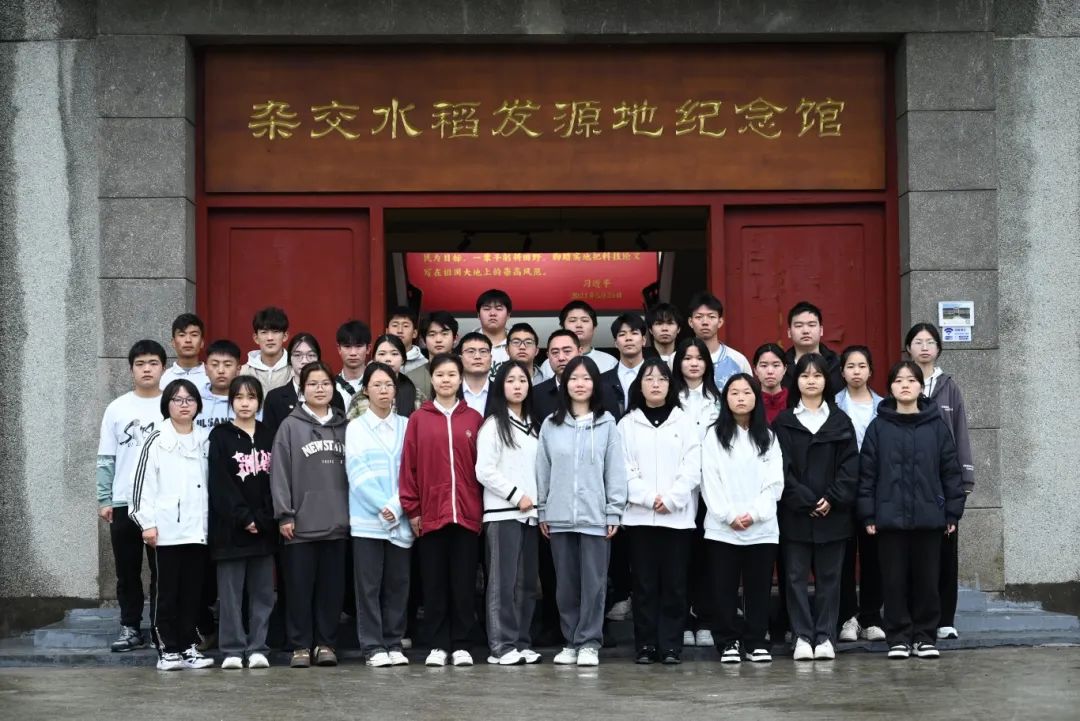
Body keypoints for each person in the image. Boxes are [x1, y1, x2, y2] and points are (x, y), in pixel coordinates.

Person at [857, 361, 965, 660]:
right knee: (893, 582)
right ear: (890, 388)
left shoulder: (937, 426)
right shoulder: (878, 428)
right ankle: (899, 638)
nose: (905, 385)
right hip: (889, 520)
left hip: (929, 519)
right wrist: (868, 514)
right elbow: (867, 475)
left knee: (927, 581)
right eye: (898, 380)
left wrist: (952, 512)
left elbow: (950, 472)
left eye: (911, 380)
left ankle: (925, 637)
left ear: (920, 386)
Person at [536, 356, 627, 667]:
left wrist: (613, 511)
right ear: (565, 384)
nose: (579, 384)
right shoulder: (551, 424)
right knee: (565, 585)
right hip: (559, 516)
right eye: (573, 378)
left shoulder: (607, 424)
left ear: (595, 384)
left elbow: (615, 470)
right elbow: (543, 470)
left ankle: (589, 642)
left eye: (586, 378)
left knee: (594, 584)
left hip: (596, 517)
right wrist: (543, 509)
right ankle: (571, 641)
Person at [772, 353, 858, 662]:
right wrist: (806, 501)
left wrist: (831, 498)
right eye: (805, 375)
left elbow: (850, 468)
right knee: (794, 579)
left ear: (826, 381)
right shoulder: (784, 422)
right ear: (796, 380)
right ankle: (801, 636)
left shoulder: (840, 421)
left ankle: (824, 636)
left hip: (833, 515)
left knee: (830, 580)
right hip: (795, 515)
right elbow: (779, 468)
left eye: (817, 375)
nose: (811, 380)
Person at [400, 353, 484, 667]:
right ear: (432, 379)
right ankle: (437, 644)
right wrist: (413, 509)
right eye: (440, 375)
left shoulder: (473, 418)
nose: (446, 380)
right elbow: (408, 467)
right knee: (434, 583)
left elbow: (483, 467)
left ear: (460, 379)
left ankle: (461, 644)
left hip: (466, 513)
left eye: (451, 374)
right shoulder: (418, 419)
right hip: (431, 515)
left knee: (463, 584)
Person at [618, 358, 700, 665]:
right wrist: (648, 497)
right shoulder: (626, 424)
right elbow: (622, 468)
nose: (655, 384)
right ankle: (646, 645)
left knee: (675, 585)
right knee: (644, 585)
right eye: (649, 378)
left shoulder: (685, 422)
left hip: (677, 518)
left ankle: (670, 646)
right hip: (640, 518)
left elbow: (693, 467)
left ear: (670, 385)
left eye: (662, 379)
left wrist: (673, 499)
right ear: (639, 385)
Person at [129, 379, 213, 671]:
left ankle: (189, 646)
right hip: (166, 531)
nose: (184, 404)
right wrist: (146, 523)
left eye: (190, 399)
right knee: (166, 593)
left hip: (197, 530)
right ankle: (167, 649)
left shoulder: (205, 439)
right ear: (167, 404)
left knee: (192, 593)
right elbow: (141, 485)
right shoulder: (156, 439)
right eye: (177, 399)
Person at [270, 361, 350, 669]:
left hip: (337, 523)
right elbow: (279, 473)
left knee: (331, 590)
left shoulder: (345, 427)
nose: (320, 389)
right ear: (302, 390)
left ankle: (326, 644)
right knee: (299, 590)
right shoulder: (290, 427)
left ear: (333, 387)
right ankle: (300, 646)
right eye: (313, 384)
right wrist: (285, 514)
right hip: (300, 525)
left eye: (325, 383)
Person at [701, 374, 784, 664]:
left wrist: (755, 514)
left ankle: (756, 641)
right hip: (722, 528)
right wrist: (728, 515)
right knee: (723, 588)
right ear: (725, 399)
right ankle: (727, 642)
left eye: (746, 392)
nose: (740, 398)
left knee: (758, 588)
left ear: (756, 398)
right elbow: (709, 479)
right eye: (734, 392)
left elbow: (774, 483)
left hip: (761, 528)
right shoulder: (714, 436)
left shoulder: (768, 437)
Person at [906, 322, 974, 642]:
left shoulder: (949, 386)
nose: (924, 347)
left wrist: (964, 478)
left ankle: (945, 619)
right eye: (918, 342)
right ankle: (913, 616)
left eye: (930, 342)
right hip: (910, 483)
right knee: (913, 555)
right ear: (908, 348)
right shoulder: (903, 381)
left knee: (946, 552)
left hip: (943, 483)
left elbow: (961, 431)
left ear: (938, 348)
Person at [97, 340, 166, 653]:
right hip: (124, 501)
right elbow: (106, 457)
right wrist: (104, 498)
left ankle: (160, 628)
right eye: (140, 364)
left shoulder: (172, 404)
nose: (147, 369)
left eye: (153, 363)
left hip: (161, 502)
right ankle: (130, 627)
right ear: (131, 369)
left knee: (162, 571)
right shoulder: (117, 408)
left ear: (163, 367)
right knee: (127, 571)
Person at [345, 362, 413, 668]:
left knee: (398, 584)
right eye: (377, 385)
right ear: (366, 390)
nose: (383, 390)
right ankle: (373, 646)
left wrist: (397, 506)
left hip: (401, 517)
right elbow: (356, 472)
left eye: (388, 385)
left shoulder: (407, 426)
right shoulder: (356, 428)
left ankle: (394, 642)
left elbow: (412, 470)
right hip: (367, 521)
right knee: (369, 586)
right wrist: (382, 506)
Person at [207, 375, 277, 670]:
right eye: (238, 397)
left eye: (251, 397)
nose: (245, 403)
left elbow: (278, 480)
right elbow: (219, 484)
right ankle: (233, 649)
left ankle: (258, 647)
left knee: (263, 593)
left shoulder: (270, 434)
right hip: (230, 531)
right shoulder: (220, 436)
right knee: (231, 595)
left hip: (265, 530)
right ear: (231, 401)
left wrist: (263, 518)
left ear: (259, 401)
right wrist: (244, 517)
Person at [476, 360, 542, 666]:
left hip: (531, 515)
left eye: (523, 380)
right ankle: (501, 645)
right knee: (503, 584)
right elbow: (484, 470)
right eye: (511, 380)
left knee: (527, 584)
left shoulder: (533, 424)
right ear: (500, 386)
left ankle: (521, 641)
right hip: (503, 514)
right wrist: (516, 496)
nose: (517, 386)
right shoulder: (493, 425)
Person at [671, 336, 722, 647]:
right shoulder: (669, 397)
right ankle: (681, 622)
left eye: (699, 358)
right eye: (687, 358)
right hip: (678, 490)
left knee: (707, 558)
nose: (693, 363)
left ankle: (704, 619)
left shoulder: (718, 398)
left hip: (710, 490)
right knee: (680, 559)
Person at [834, 345, 887, 643]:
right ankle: (847, 618)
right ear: (842, 372)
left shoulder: (884, 407)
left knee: (873, 556)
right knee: (842, 557)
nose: (856, 371)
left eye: (862, 366)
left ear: (870, 371)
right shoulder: (833, 404)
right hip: (842, 491)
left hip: (874, 491)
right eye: (850, 366)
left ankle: (871, 617)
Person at [262, 333, 346, 439]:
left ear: (318, 359)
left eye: (311, 355)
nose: (304, 361)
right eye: (297, 355)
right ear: (289, 359)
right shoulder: (274, 398)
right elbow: (269, 439)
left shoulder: (333, 396)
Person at [686, 291, 751, 389]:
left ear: (720, 322)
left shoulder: (738, 360)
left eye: (711, 317)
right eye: (699, 317)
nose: (705, 322)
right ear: (690, 322)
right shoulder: (677, 359)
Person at [539, 300, 618, 379]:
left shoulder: (610, 362)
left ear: (594, 328)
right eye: (572, 320)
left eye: (584, 320)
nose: (579, 325)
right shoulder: (549, 364)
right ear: (563, 327)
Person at [782, 301, 843, 394]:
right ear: (789, 332)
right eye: (799, 326)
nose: (806, 331)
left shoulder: (837, 363)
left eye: (811, 325)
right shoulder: (781, 366)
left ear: (821, 330)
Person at [600, 312, 647, 418]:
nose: (628, 338)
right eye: (622, 334)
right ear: (616, 343)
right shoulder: (602, 380)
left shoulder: (657, 378)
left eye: (634, 333)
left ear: (644, 340)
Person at [532, 329, 581, 424]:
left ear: (580, 352)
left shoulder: (597, 389)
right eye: (555, 352)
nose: (561, 358)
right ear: (548, 356)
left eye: (567, 351)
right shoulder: (536, 395)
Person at [240, 306, 292, 393]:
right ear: (256, 338)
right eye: (264, 332)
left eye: (275, 332)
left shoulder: (295, 371)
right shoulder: (243, 372)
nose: (270, 338)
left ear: (285, 336)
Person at [198, 339, 242, 435]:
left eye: (227, 365)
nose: (221, 370)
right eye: (215, 365)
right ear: (206, 369)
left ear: (238, 369)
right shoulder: (193, 402)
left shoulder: (248, 403)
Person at [161, 313, 209, 389]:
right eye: (182, 335)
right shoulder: (163, 378)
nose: (188, 340)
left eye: (194, 335)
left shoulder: (212, 377)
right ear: (173, 342)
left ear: (202, 342)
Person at [334, 319, 371, 409]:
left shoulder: (377, 384)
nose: (353, 353)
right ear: (339, 349)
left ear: (368, 348)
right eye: (347, 346)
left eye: (358, 346)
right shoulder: (330, 386)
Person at [475, 288, 513, 371]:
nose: (492, 313)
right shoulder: (466, 345)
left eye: (499, 309)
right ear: (478, 315)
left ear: (508, 315)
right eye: (486, 309)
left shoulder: (516, 345)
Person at [753, 343, 789, 423]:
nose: (770, 371)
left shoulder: (794, 400)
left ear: (785, 369)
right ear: (755, 370)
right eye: (764, 366)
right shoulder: (751, 401)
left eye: (776, 365)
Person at [460, 332, 493, 415]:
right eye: (471, 351)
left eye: (483, 351)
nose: (477, 356)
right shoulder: (450, 392)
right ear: (461, 359)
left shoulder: (502, 392)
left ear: (491, 358)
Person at [386, 306, 427, 375]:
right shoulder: (377, 362)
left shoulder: (425, 365)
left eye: (405, 326)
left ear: (414, 333)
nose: (400, 330)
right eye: (395, 325)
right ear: (387, 332)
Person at [646, 302, 682, 366]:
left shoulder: (684, 357)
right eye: (659, 323)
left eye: (670, 323)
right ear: (650, 330)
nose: (664, 328)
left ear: (678, 329)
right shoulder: (641, 357)